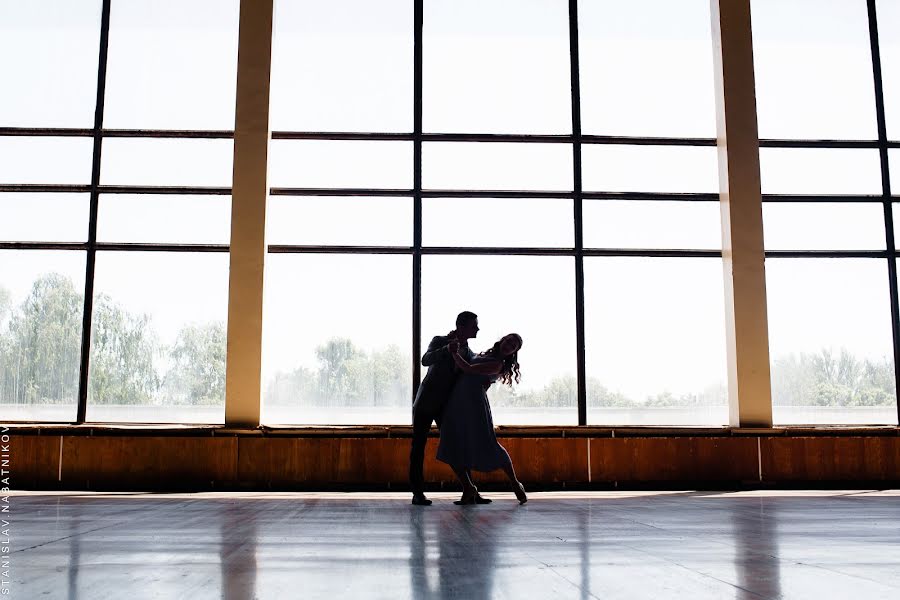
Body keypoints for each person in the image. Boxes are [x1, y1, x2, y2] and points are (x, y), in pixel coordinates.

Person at [437, 333, 528, 505]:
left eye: (513, 345)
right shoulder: (484, 355)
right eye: (508, 340)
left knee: (488, 443)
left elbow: (469, 369)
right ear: (502, 339)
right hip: (457, 400)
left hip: (474, 404)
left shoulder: (498, 364)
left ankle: (515, 483)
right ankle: (468, 487)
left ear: (514, 352)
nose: (509, 345)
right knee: (451, 442)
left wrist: (454, 352)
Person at [409, 311, 479, 506]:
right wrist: (447, 349)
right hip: (426, 403)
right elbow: (425, 360)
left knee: (457, 445)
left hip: (447, 407)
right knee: (418, 448)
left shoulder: (468, 351)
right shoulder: (440, 340)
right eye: (474, 325)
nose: (478, 329)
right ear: (461, 326)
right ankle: (417, 493)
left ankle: (470, 489)